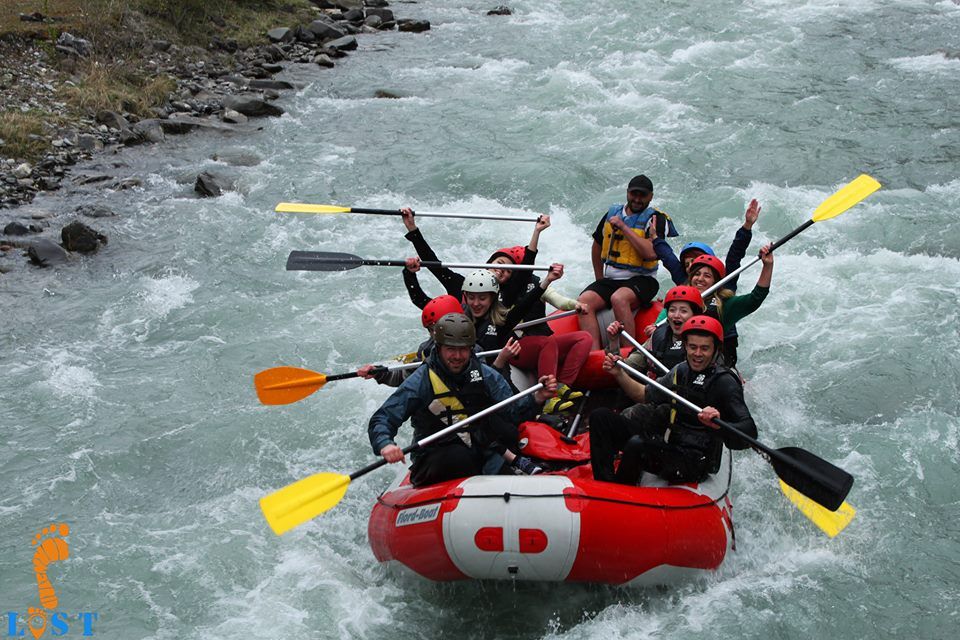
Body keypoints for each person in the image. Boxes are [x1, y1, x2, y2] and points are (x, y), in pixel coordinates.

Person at [368, 313, 558, 485]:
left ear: (471, 348)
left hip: (480, 450)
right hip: (434, 456)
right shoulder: (421, 380)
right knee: (459, 457)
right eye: (451, 349)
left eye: (463, 349)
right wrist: (385, 444)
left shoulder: (485, 374)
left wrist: (538, 397)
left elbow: (513, 411)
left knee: (498, 443)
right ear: (439, 347)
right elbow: (384, 417)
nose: (457, 356)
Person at [589, 316, 757, 486]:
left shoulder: (725, 382)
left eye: (705, 348)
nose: (697, 354)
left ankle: (619, 491)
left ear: (716, 350)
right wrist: (619, 374)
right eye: (693, 347)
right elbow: (645, 395)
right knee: (600, 417)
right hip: (669, 442)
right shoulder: (681, 370)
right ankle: (604, 485)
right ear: (685, 346)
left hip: (695, 459)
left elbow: (749, 430)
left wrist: (719, 424)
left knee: (637, 445)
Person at [461, 267, 584, 412]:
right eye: (471, 297)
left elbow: (525, 304)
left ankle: (553, 395)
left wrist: (547, 280)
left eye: (482, 298)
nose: (476, 303)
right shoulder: (458, 322)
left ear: (492, 298)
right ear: (465, 297)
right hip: (472, 382)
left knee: (521, 412)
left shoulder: (501, 322)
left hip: (498, 377)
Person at [578, 174, 679, 349]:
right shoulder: (612, 214)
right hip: (611, 280)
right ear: (627, 192)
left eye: (643, 195)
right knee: (584, 301)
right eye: (634, 194)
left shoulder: (656, 219)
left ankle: (628, 352)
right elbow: (597, 246)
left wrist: (624, 227)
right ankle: (593, 353)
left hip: (644, 280)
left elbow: (651, 253)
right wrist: (599, 279)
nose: (637, 199)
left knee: (619, 299)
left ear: (651, 196)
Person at [356, 294, 464, 386]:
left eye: (439, 328)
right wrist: (378, 372)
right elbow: (404, 378)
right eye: (431, 329)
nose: (434, 334)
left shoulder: (471, 350)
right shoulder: (427, 351)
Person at [652, 199, 761, 287]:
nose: (690, 267)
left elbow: (734, 256)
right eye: (686, 265)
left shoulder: (725, 283)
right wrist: (655, 238)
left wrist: (747, 226)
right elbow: (669, 258)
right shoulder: (683, 281)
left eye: (694, 261)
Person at [607, 285, 704, 380]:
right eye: (672, 310)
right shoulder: (658, 336)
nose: (676, 315)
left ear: (695, 315)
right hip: (655, 388)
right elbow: (626, 368)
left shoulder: (705, 341)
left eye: (683, 311)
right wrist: (613, 341)